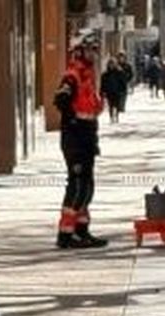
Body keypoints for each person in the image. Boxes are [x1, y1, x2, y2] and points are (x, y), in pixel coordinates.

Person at [53, 33, 107, 250]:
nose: (93, 53)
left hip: (87, 136)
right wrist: (73, 122)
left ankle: (81, 231)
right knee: (77, 185)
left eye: (94, 49)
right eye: (89, 49)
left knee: (87, 185)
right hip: (75, 137)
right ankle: (65, 235)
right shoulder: (72, 75)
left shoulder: (88, 76)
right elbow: (61, 99)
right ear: (79, 51)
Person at [101, 56, 128, 125]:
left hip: (117, 91)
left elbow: (123, 82)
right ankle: (111, 117)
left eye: (112, 64)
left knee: (117, 105)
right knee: (110, 105)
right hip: (109, 92)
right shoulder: (105, 74)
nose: (111, 65)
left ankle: (116, 116)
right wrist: (102, 91)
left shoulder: (119, 73)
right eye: (110, 64)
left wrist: (123, 89)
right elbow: (103, 83)